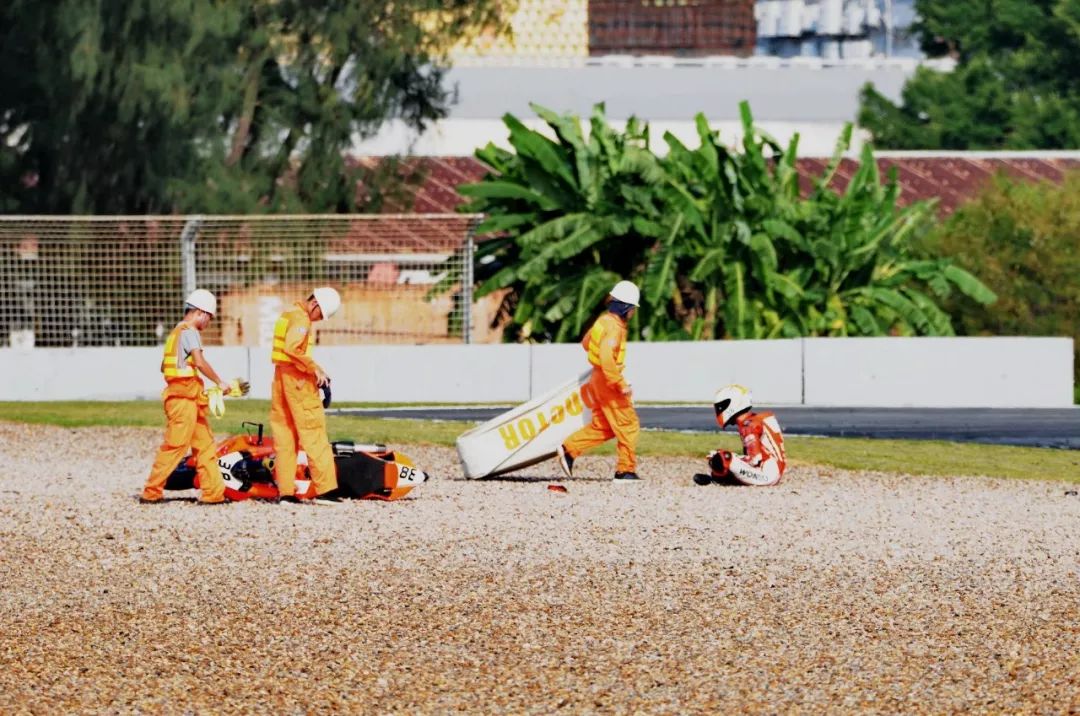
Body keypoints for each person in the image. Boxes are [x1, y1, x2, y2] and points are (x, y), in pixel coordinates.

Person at [141, 289, 237, 505]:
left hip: (189, 398)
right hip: (183, 400)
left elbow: (165, 367)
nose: (209, 323)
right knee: (175, 446)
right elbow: (200, 362)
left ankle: (213, 494)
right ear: (200, 313)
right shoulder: (190, 332)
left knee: (205, 446)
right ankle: (151, 492)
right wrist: (220, 383)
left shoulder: (175, 333)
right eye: (209, 317)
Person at [556, 280, 642, 483]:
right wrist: (620, 383)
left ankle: (569, 449)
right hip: (608, 382)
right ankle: (625, 471)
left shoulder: (603, 321)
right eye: (632, 309)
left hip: (597, 379)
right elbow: (606, 357)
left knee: (605, 426)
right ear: (625, 308)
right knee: (628, 425)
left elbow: (586, 343)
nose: (633, 313)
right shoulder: (615, 328)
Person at [269, 287, 344, 503]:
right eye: (321, 314)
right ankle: (325, 490)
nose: (319, 319)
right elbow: (293, 348)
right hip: (298, 380)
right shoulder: (301, 319)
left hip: (280, 378)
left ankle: (286, 493)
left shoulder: (288, 314)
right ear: (315, 304)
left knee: (285, 436)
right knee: (314, 432)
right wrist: (315, 369)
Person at [695, 384, 787, 487]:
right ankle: (721, 478)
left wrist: (730, 458)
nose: (719, 410)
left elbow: (754, 460)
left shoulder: (749, 425)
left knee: (723, 457)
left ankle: (717, 479)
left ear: (733, 403)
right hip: (771, 471)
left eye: (721, 406)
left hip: (767, 475)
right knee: (722, 456)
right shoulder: (754, 420)